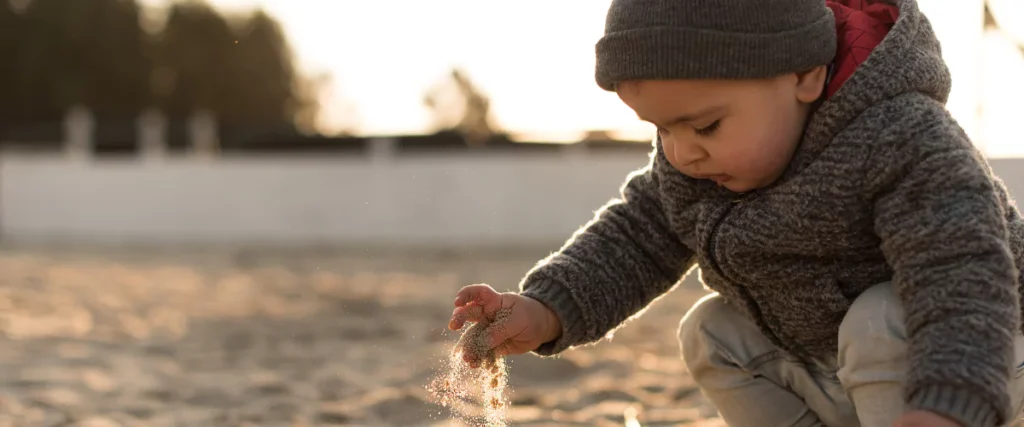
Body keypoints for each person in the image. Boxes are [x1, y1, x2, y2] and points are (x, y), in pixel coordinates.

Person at [447, 0, 1024, 426]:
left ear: (805, 75)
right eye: (660, 128)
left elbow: (962, 276)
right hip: (840, 368)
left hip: (980, 363)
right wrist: (546, 309)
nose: (680, 151)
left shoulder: (901, 137)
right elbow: (637, 239)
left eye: (705, 125)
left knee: (877, 318)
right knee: (711, 331)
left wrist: (947, 403)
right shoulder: (698, 166)